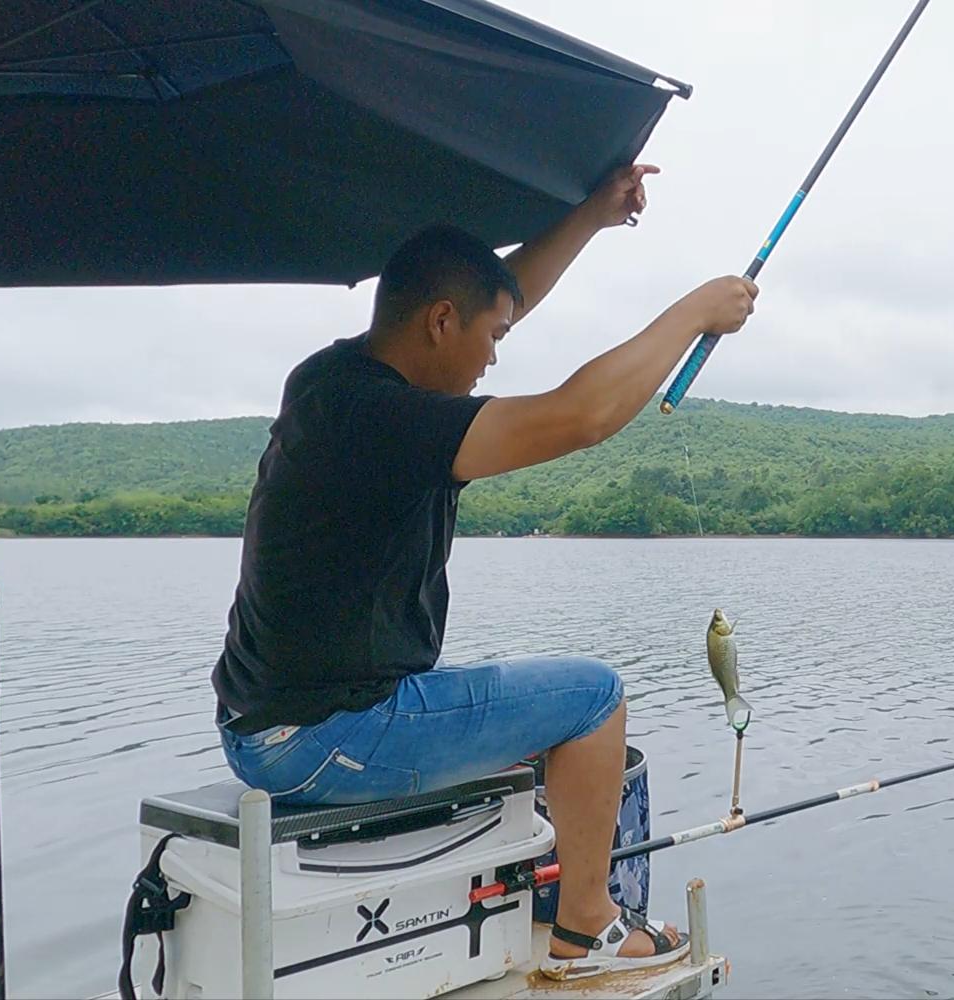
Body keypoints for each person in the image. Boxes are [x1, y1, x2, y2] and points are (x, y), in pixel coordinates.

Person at [209, 163, 757, 977]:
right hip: (330, 737)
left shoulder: (330, 382)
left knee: (535, 729)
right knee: (595, 699)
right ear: (438, 323)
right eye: (492, 340)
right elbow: (580, 416)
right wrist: (693, 312)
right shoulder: (387, 420)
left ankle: (547, 892)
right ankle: (584, 928)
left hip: (260, 732)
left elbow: (495, 298)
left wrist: (592, 216)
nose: (494, 358)